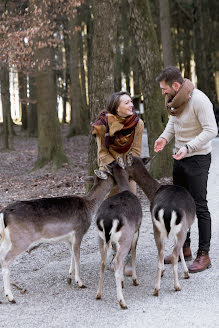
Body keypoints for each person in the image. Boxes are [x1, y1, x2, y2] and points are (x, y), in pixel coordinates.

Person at [154, 66, 218, 273]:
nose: (162, 92)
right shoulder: (174, 101)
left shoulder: (199, 100)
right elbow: (173, 123)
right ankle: (184, 247)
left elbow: (211, 130)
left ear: (175, 85)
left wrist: (189, 147)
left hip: (198, 158)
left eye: (164, 88)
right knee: (180, 204)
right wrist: (164, 138)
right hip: (179, 158)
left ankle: (204, 254)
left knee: (199, 205)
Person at [92, 91, 144, 275]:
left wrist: (126, 171)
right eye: (127, 102)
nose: (132, 105)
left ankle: (127, 255)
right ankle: (113, 251)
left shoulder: (138, 123)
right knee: (112, 211)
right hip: (109, 169)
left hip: (128, 170)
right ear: (116, 107)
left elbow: (136, 151)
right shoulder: (102, 125)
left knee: (130, 211)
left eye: (131, 102)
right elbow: (102, 153)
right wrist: (115, 168)